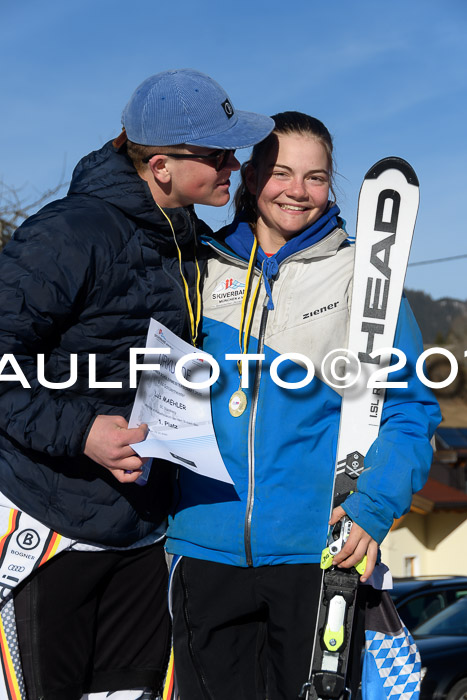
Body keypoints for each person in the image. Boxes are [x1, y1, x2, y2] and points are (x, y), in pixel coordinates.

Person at [0, 69, 274, 700]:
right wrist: (83, 432)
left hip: (145, 535)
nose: (235, 163)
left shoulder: (189, 242)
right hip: (50, 527)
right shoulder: (69, 233)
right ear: (159, 166)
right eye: (215, 154)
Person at [165, 111, 441, 699]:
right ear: (249, 177)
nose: (298, 190)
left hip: (315, 552)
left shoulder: (364, 278)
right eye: (281, 172)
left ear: (331, 184)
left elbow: (409, 409)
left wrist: (372, 505)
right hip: (201, 543)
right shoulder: (198, 266)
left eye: (316, 177)